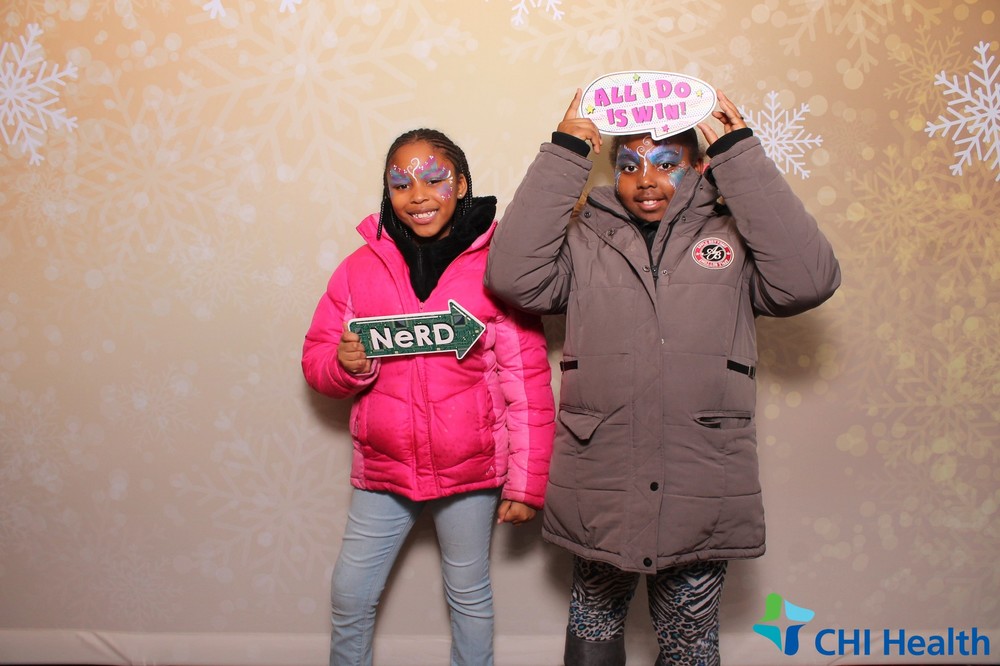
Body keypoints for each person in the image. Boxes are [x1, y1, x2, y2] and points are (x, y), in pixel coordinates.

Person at [484, 89, 841, 665]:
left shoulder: (733, 237)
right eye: (629, 165)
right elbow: (511, 276)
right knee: (594, 624)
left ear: (697, 166)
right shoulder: (583, 238)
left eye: (666, 163)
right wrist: (566, 152)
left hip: (700, 480)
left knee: (689, 640)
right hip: (601, 478)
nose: (646, 179)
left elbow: (808, 280)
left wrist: (738, 154)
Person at [302, 128, 555, 666]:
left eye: (434, 179)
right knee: (350, 593)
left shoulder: (500, 269)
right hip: (385, 466)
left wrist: (526, 484)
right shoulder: (358, 269)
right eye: (400, 184)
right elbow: (317, 359)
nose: (417, 195)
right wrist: (345, 366)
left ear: (460, 184)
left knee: (468, 593)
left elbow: (527, 384)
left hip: (471, 471)